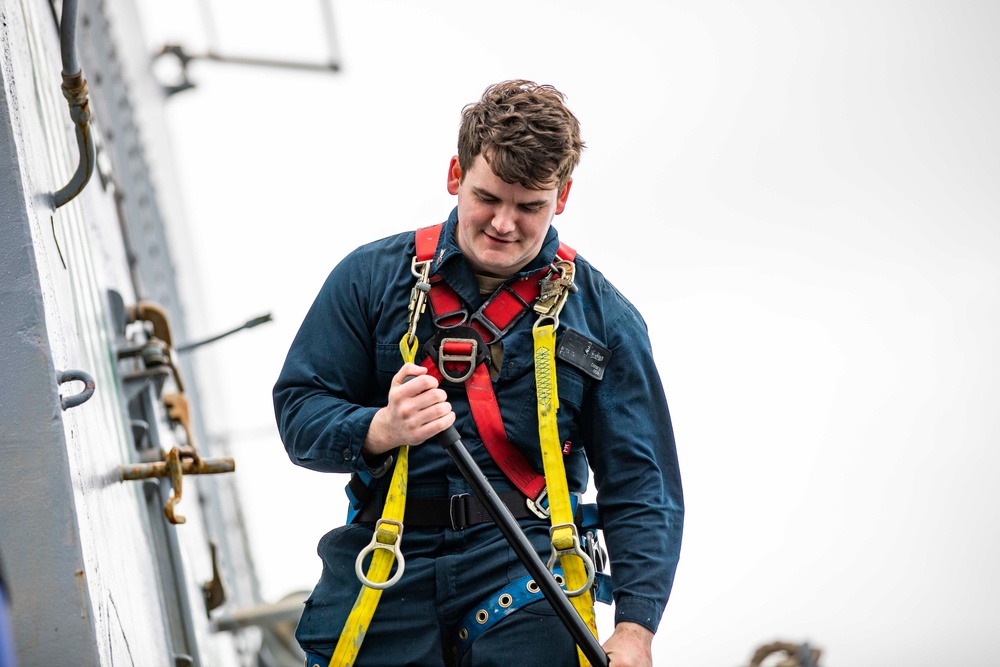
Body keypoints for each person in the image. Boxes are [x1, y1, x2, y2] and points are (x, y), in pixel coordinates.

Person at [273, 79, 683, 667]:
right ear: (453, 176)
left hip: (525, 576)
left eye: (530, 206)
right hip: (386, 564)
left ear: (562, 196)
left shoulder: (606, 319)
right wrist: (381, 427)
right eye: (488, 198)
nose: (505, 224)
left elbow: (643, 484)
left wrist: (636, 629)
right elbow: (300, 412)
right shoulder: (368, 278)